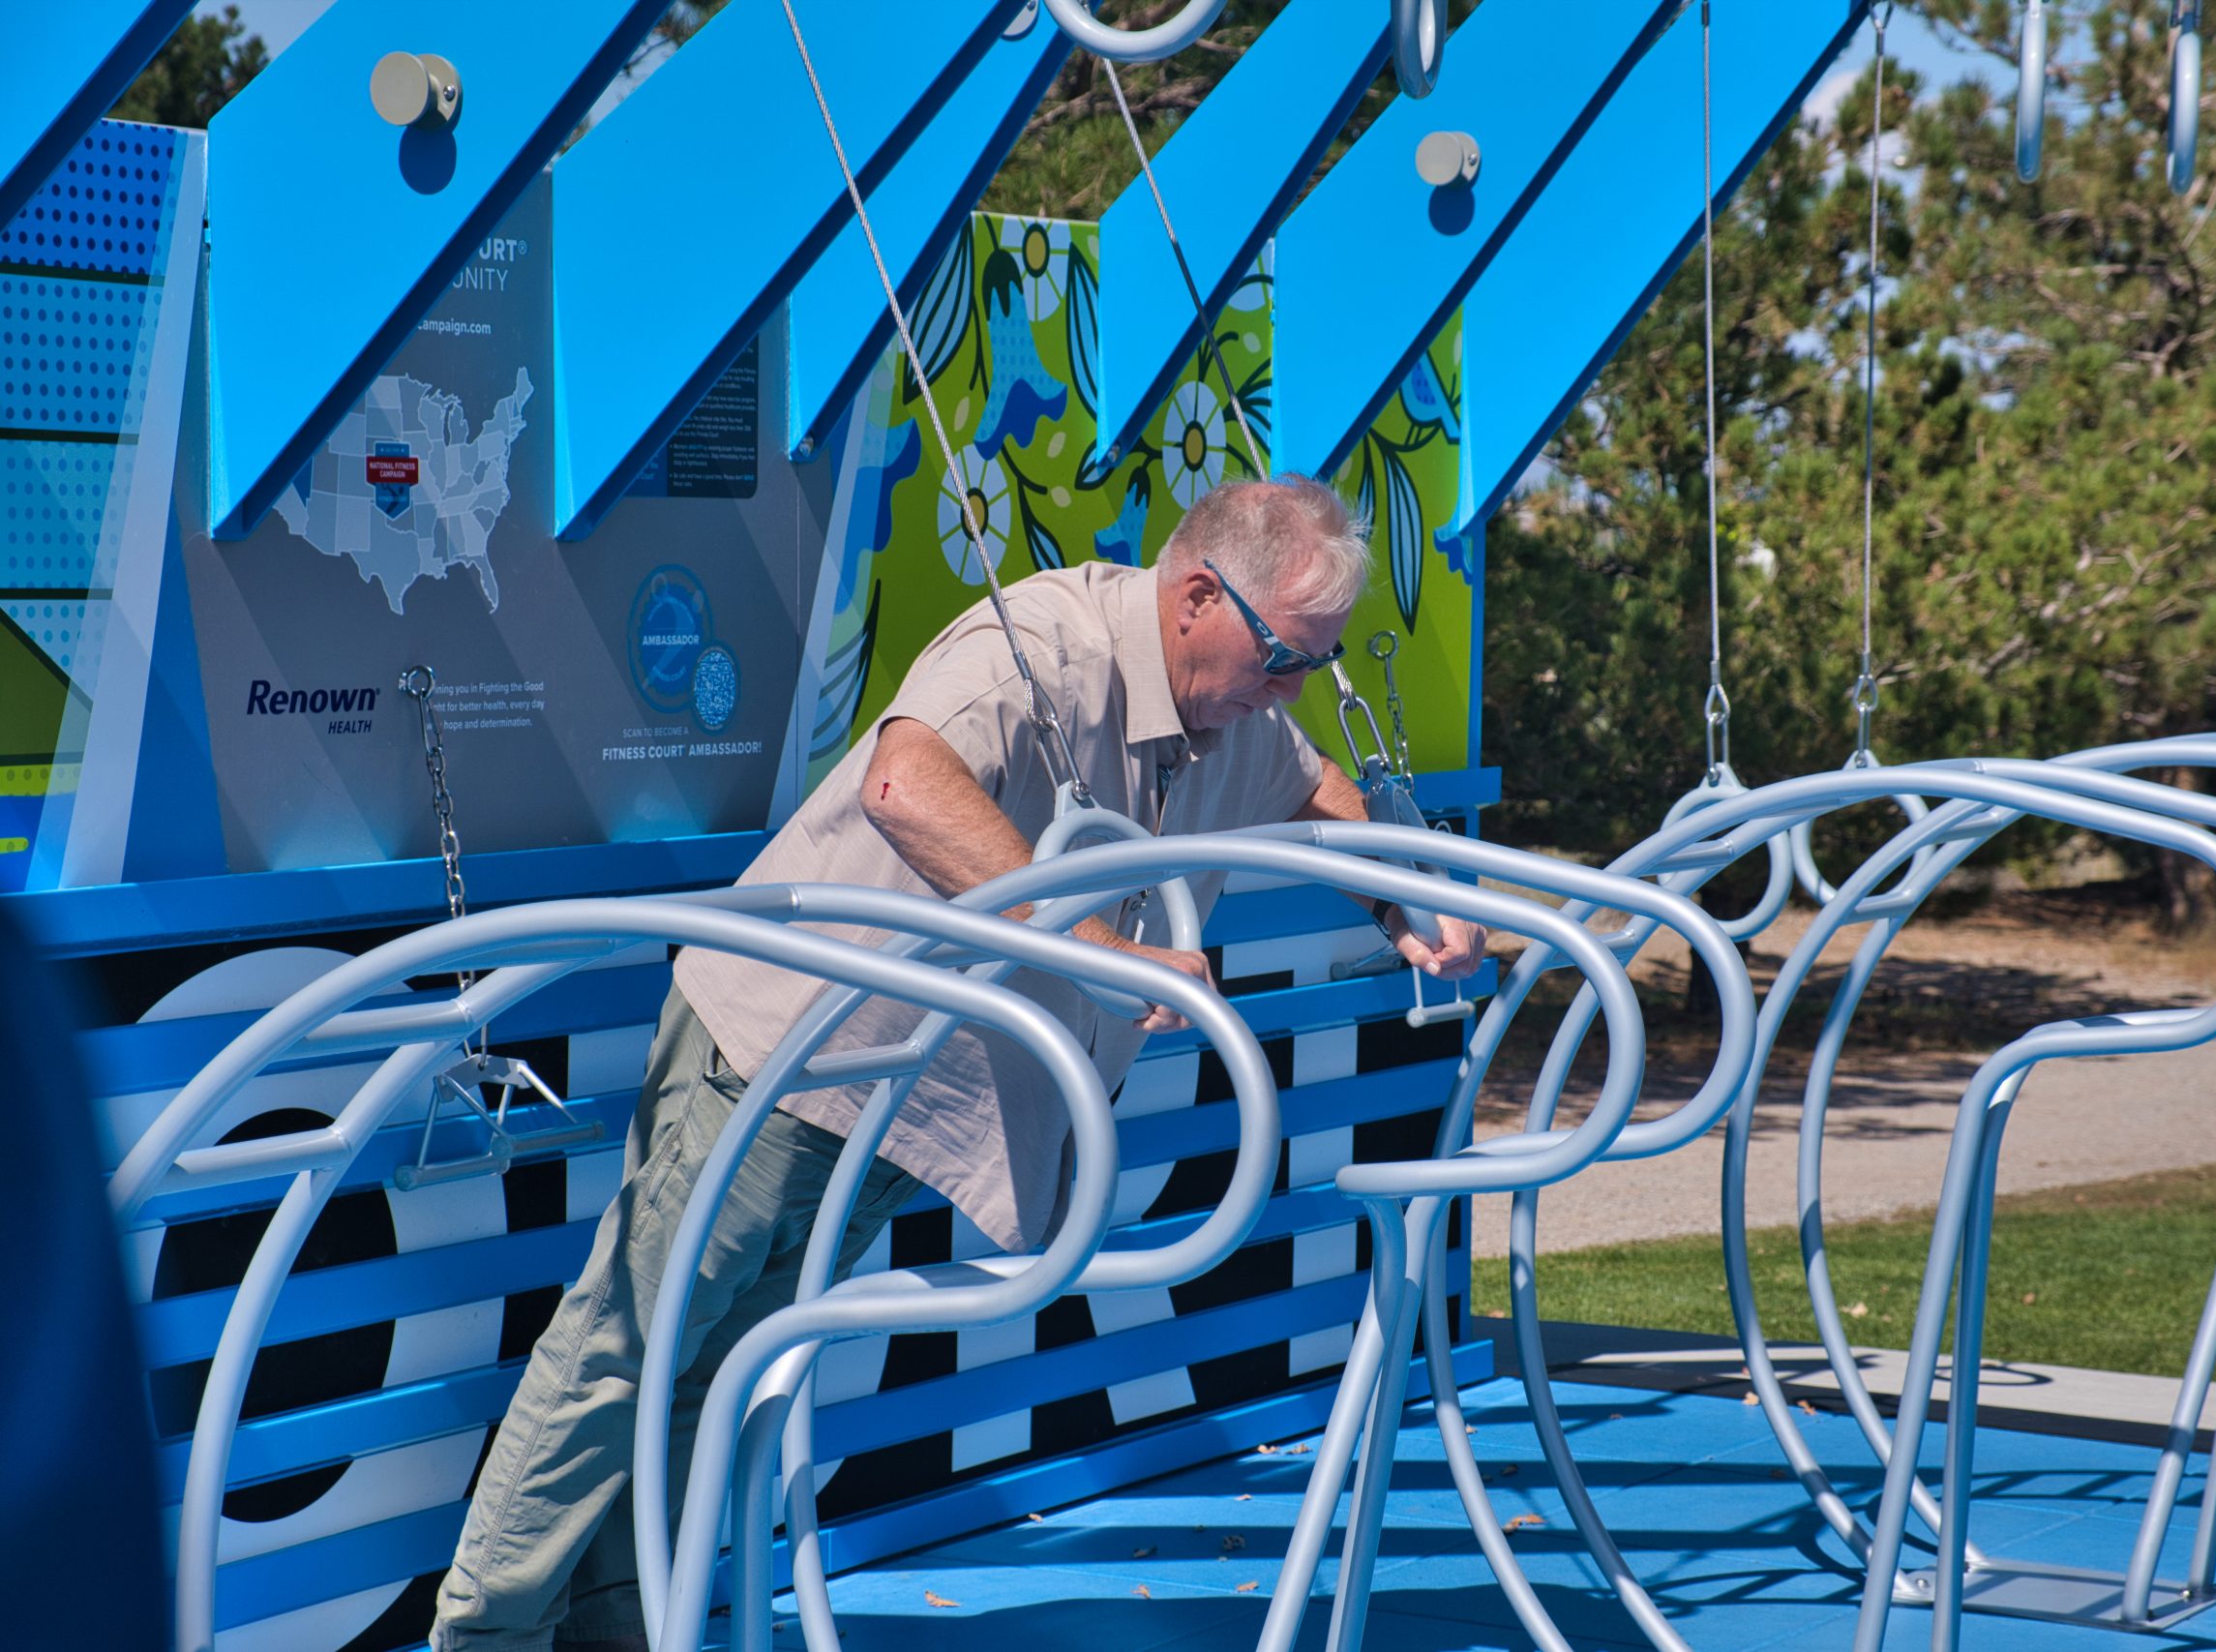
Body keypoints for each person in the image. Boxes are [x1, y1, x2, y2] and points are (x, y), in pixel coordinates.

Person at [429, 473, 1485, 1650]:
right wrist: (1099, 954)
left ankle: (630, 1628)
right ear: (1198, 595)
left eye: (1313, 667)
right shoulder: (1046, 643)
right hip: (789, 1047)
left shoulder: (1229, 705)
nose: (1289, 691)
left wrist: (1402, 899)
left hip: (902, 1098)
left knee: (715, 1370)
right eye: (1284, 658)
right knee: (629, 1344)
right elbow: (905, 782)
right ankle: (484, 1636)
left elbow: (1309, 778)